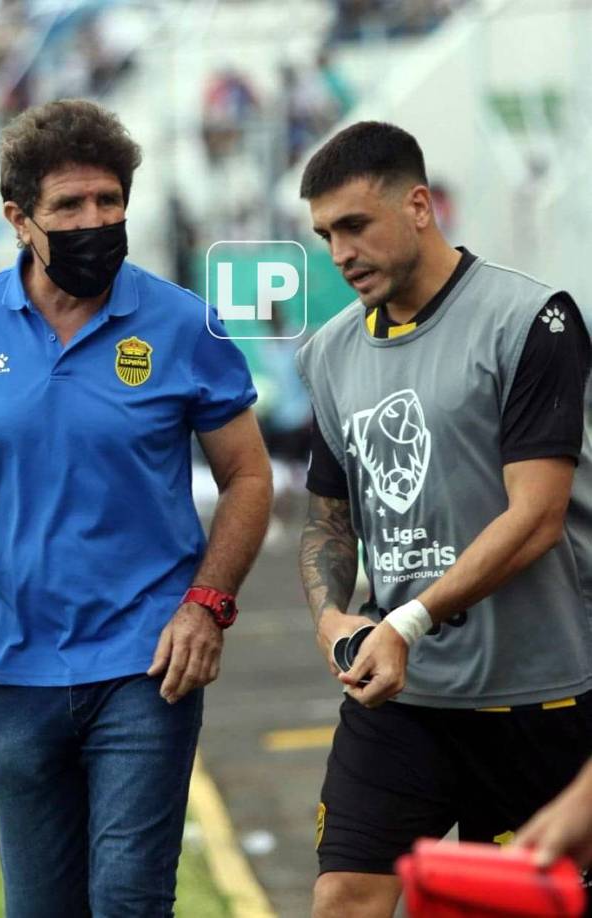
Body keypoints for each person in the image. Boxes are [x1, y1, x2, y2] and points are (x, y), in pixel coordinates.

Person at [0, 99, 272, 917]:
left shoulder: (184, 323)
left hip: (146, 663)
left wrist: (206, 603)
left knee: (128, 900)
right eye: (69, 205)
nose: (96, 220)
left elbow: (250, 477)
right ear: (19, 219)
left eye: (109, 200)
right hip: (15, 666)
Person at [295, 121, 592, 918]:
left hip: (538, 693)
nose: (340, 253)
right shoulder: (329, 354)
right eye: (326, 235)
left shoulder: (531, 320)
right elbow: (328, 523)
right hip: (403, 698)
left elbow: (537, 514)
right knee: (343, 898)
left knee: (518, 909)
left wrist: (407, 621)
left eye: (355, 225)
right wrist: (332, 620)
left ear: (419, 206)